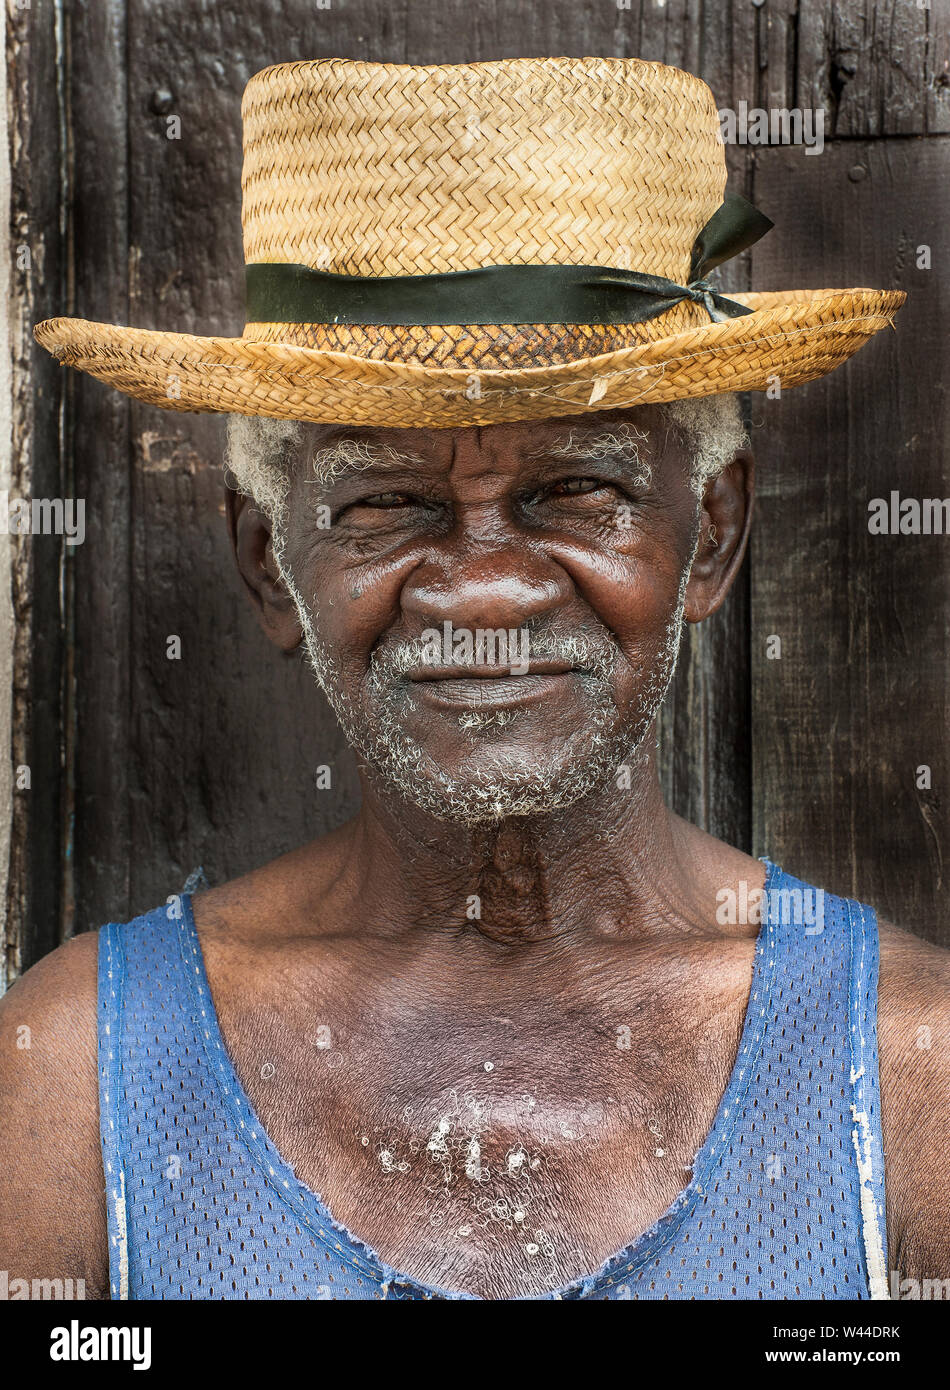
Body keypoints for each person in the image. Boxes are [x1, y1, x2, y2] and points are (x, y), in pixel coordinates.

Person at [3, 56, 944, 1302]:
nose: (485, 589)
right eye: (387, 502)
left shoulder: (910, 1077)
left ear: (709, 535)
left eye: (579, 491)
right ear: (270, 565)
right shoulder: (76, 1074)